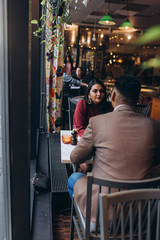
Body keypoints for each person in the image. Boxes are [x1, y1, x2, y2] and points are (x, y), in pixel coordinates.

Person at [68, 74, 160, 228]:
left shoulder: (97, 123)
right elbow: (155, 162)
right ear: (138, 99)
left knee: (74, 178)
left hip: (103, 211)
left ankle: (91, 224)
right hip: (141, 213)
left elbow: (75, 158)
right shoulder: (155, 126)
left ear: (113, 96)